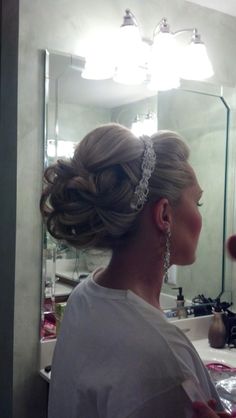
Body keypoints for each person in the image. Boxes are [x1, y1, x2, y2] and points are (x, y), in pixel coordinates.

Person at [40, 123, 227, 418]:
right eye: (198, 201)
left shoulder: (85, 295)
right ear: (164, 215)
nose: (201, 215)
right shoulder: (163, 360)